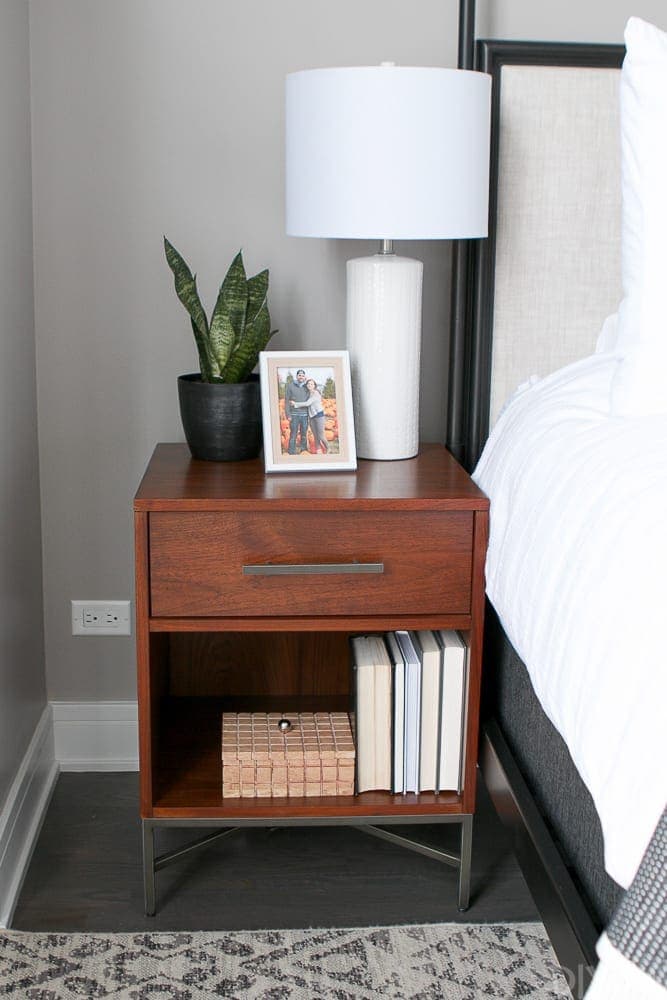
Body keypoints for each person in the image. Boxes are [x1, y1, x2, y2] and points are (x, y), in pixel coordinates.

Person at [292, 377, 329, 453]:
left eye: (311, 384)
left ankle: (328, 448)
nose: (310, 385)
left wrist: (295, 404)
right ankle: (319, 451)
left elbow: (307, 403)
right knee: (315, 435)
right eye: (308, 383)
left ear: (314, 385)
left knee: (321, 435)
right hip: (312, 416)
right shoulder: (308, 393)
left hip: (319, 415)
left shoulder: (316, 393)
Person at [283, 369, 310, 454]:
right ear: (297, 376)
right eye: (299, 375)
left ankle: (304, 451)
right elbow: (287, 401)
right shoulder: (290, 386)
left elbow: (311, 399)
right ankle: (291, 451)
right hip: (294, 415)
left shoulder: (307, 387)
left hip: (305, 415)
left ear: (304, 377)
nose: (301, 377)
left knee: (304, 434)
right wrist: (288, 414)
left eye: (302, 375)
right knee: (293, 434)